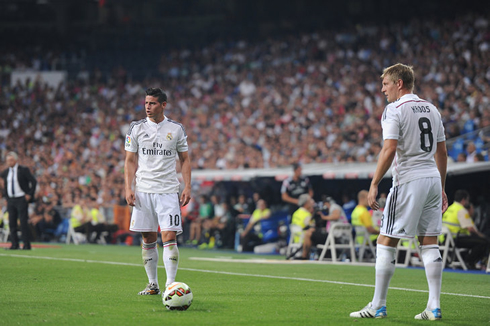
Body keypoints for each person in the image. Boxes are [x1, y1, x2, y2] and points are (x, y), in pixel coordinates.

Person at [350, 64, 448, 321]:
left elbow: (390, 148)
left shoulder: (394, 109)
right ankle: (434, 307)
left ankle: (378, 306)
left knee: (385, 240)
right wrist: (442, 186)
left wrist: (374, 183)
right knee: (429, 242)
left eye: (385, 84)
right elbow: (442, 152)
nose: (383, 90)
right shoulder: (432, 109)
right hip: (432, 179)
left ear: (399, 83)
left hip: (408, 180)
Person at [125, 87, 191, 296]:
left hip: (168, 190)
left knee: (169, 235)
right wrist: (128, 187)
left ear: (163, 105)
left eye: (152, 103)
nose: (147, 107)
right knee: (148, 237)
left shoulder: (176, 128)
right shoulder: (136, 128)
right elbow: (129, 160)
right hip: (143, 190)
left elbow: (185, 159)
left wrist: (187, 185)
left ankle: (171, 285)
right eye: (146, 103)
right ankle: (153, 284)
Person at [442, 190, 490, 269]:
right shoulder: (461, 210)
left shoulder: (449, 208)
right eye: (468, 200)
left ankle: (467, 260)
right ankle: (469, 262)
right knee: (484, 242)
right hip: (456, 239)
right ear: (464, 200)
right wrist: (482, 236)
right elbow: (471, 229)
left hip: (445, 239)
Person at [1, 152, 37, 250]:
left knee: (23, 222)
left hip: (21, 198)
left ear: (16, 160)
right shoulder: (6, 172)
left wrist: (29, 194)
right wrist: (6, 197)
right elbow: (4, 185)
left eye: (11, 160)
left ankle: (26, 244)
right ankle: (14, 244)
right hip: (11, 199)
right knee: (12, 222)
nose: (9, 162)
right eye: (8, 160)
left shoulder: (23, 170)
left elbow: (33, 181)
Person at [287, 194, 315, 259]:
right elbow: (313, 228)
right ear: (306, 203)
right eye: (310, 201)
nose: (312, 203)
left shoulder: (296, 213)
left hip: (296, 238)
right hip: (305, 240)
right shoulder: (307, 215)